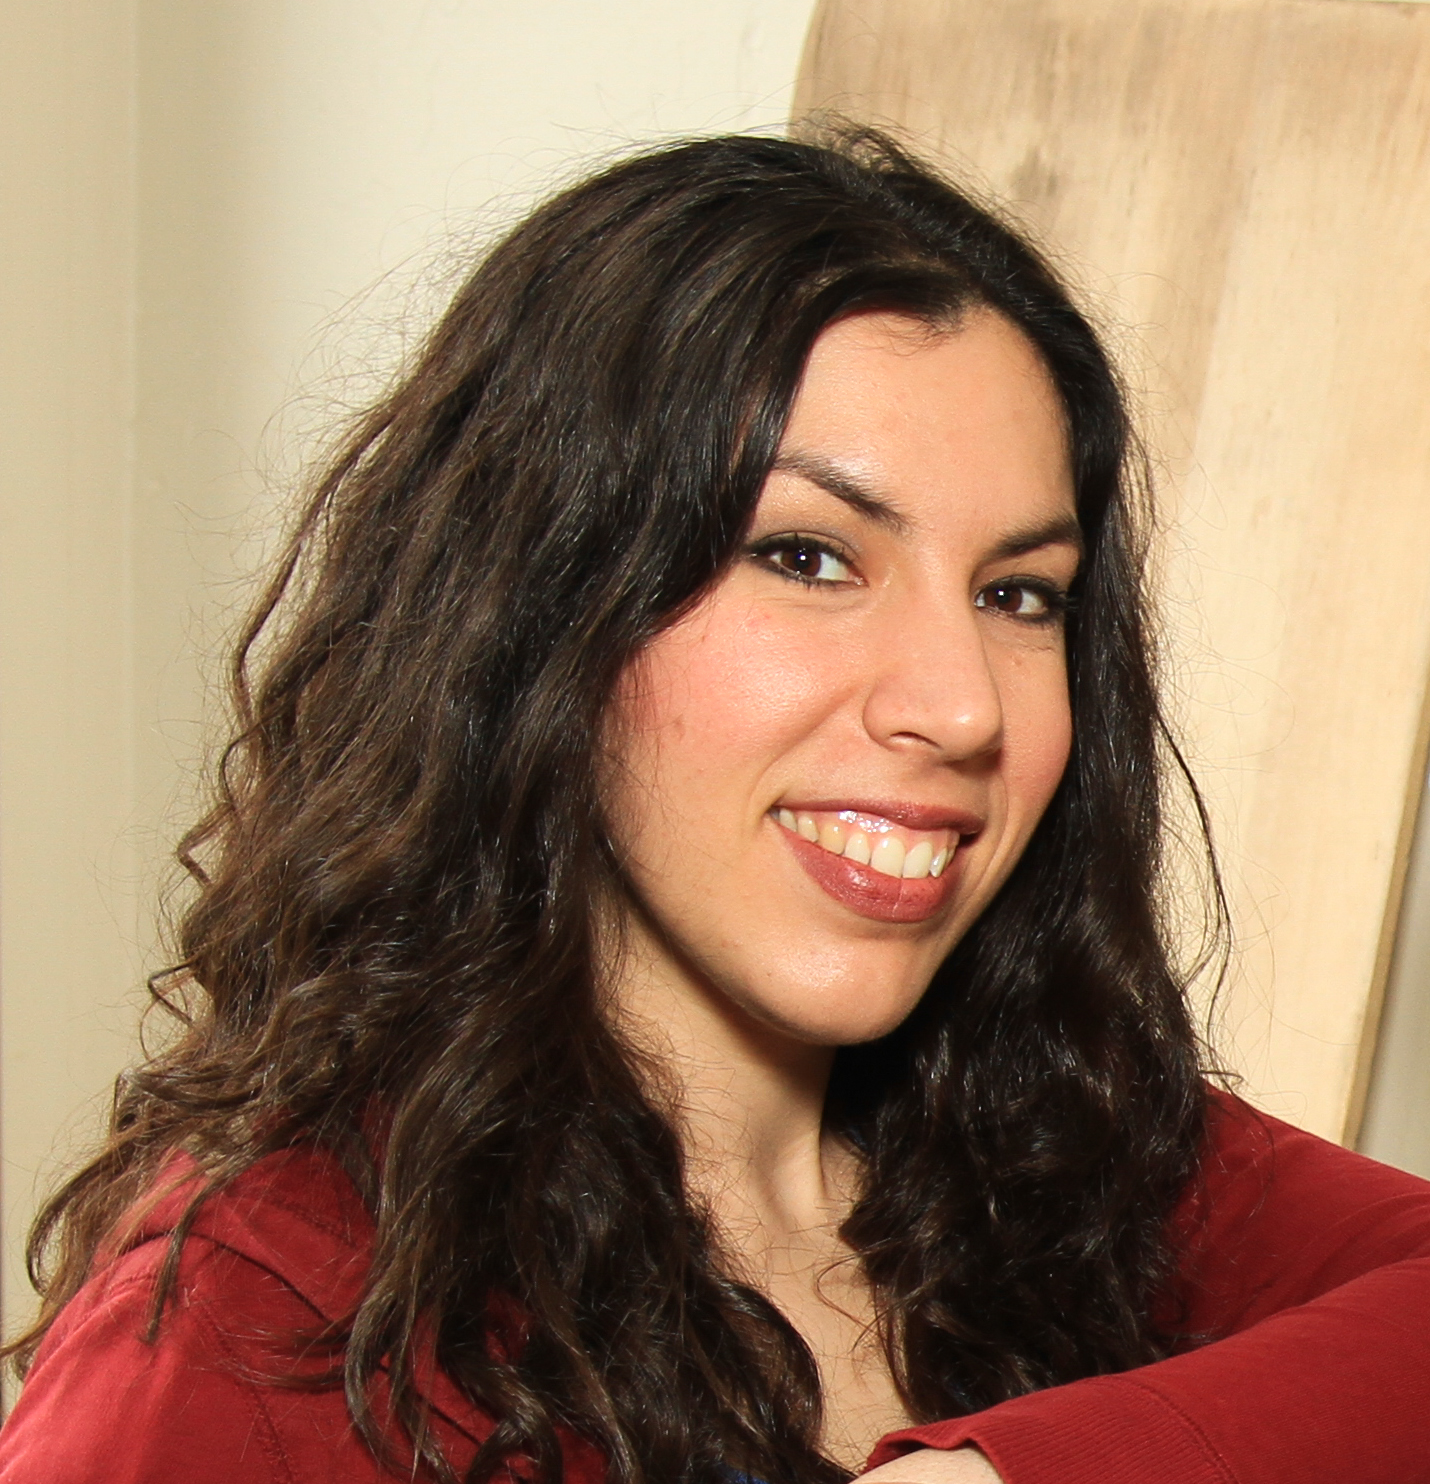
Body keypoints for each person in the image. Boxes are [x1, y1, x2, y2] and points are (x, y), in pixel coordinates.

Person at [1, 127, 1427, 1484]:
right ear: (543, 609)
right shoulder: (261, 1324)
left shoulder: (1055, 1155)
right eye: (808, 557)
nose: (961, 702)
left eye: (1016, 594)